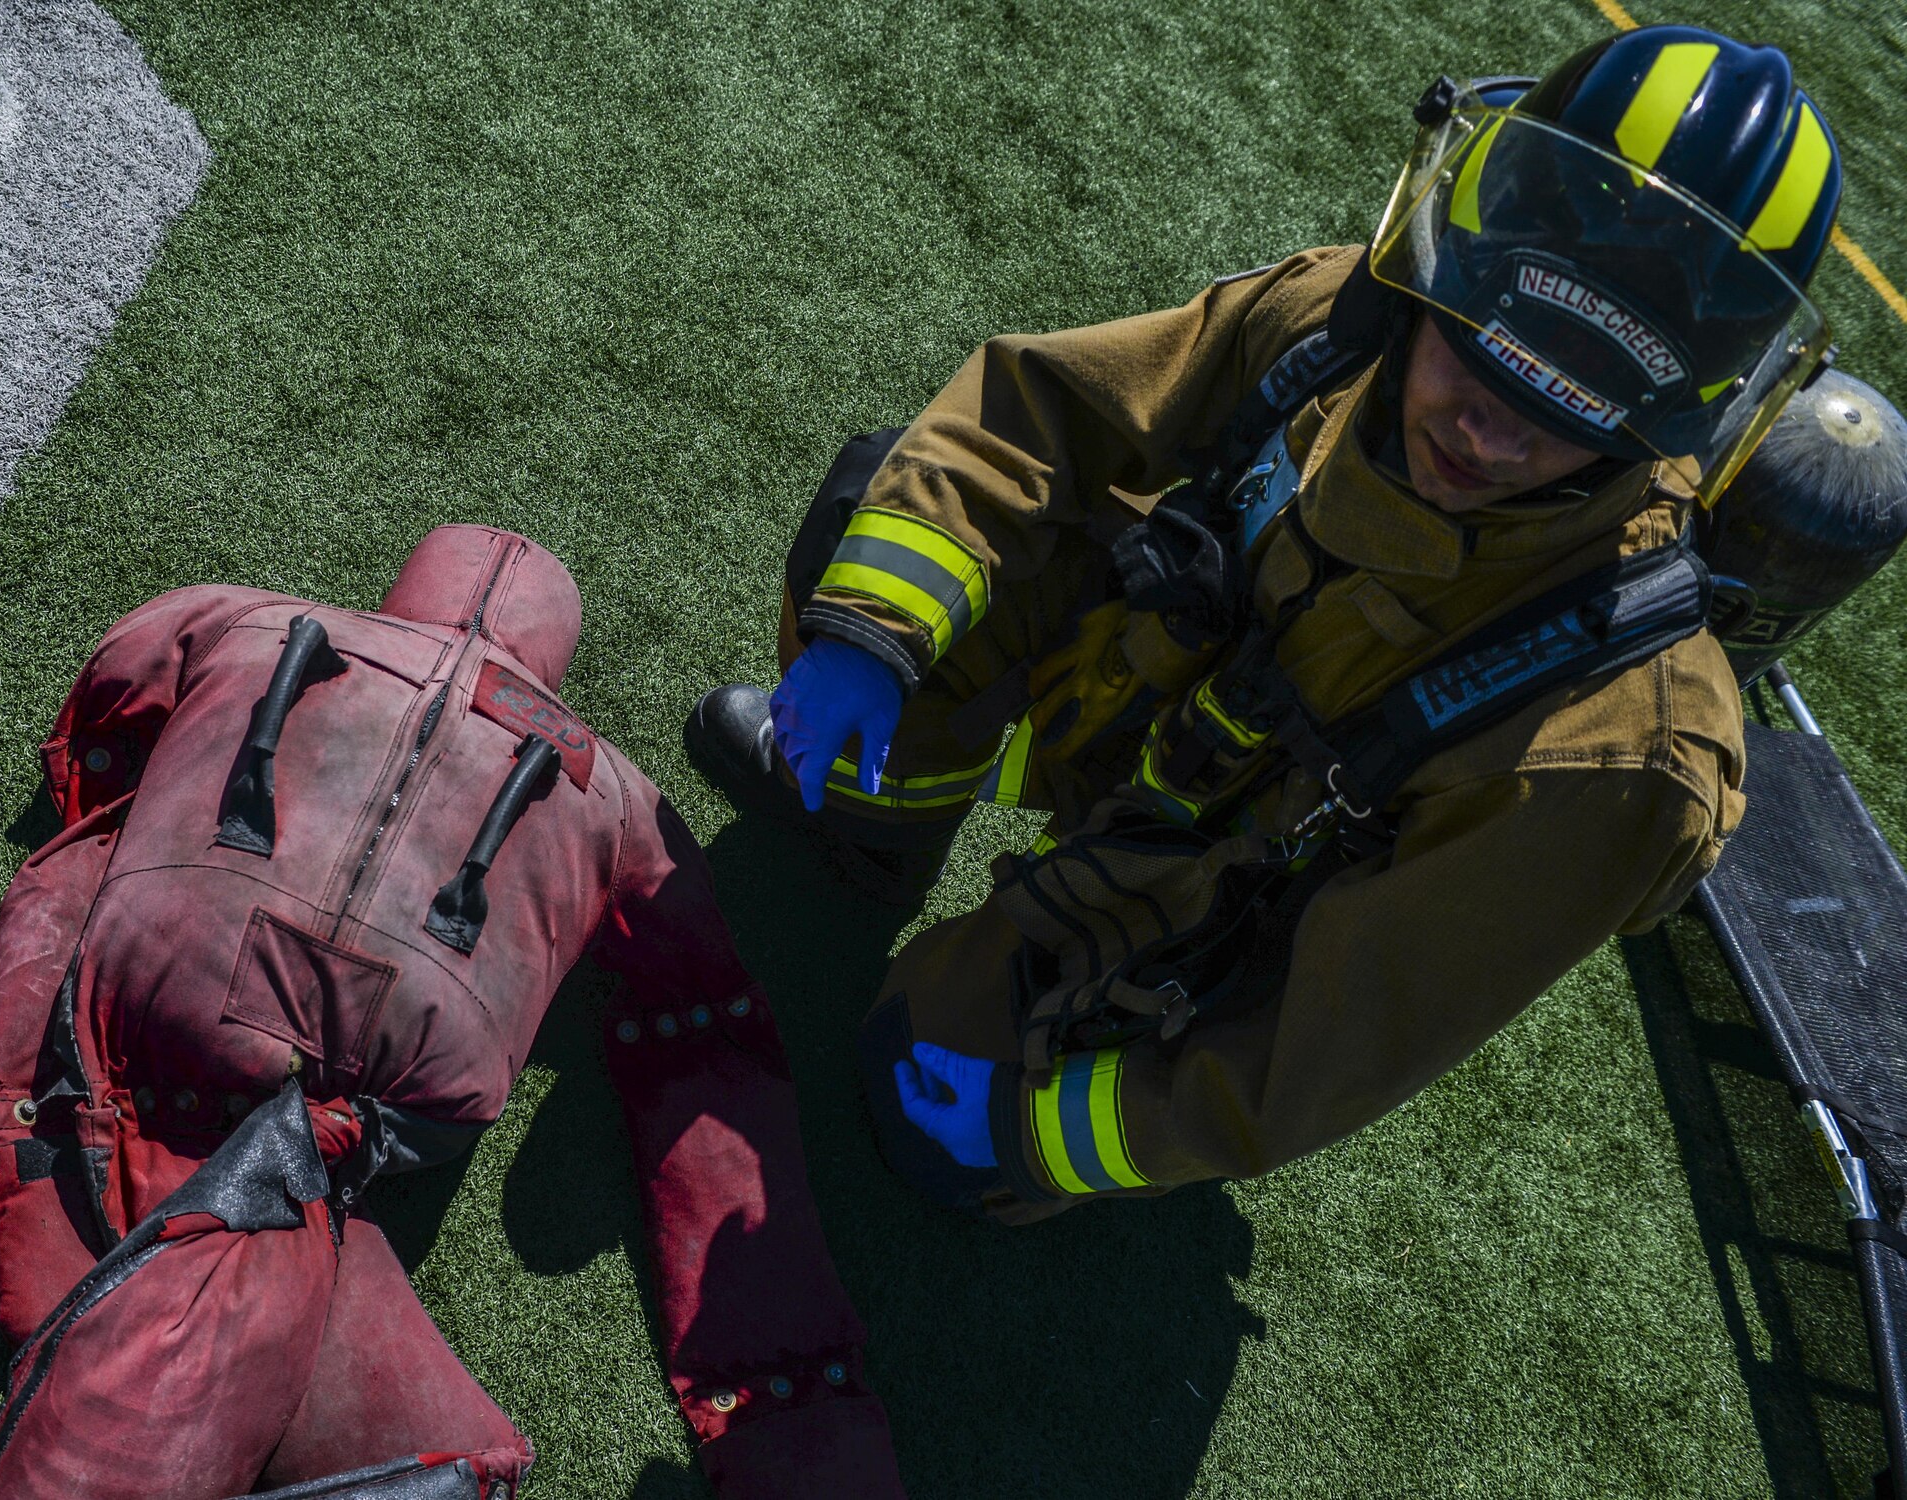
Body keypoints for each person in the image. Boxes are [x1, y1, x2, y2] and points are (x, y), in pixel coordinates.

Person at [686, 26, 1842, 1222]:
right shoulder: (1342, 319)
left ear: (1682, 416)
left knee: (912, 1098)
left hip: (1199, 924)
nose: (1485, 437)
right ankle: (879, 829)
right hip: (1128, 707)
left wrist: (1045, 1139)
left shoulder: (1623, 751)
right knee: (878, 527)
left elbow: (1338, 1041)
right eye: (1484, 352)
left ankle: (1037, 1071)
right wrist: (876, 636)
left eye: (1572, 413)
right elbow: (1034, 416)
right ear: (1446, 251)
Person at [0, 525, 904, 1498]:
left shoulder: (237, 618)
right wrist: (792, 1411)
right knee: (433, 1453)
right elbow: (703, 1038)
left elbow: (98, 728)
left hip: (162, 1023)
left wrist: (135, 827)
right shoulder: (617, 799)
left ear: (404, 584)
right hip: (380, 1099)